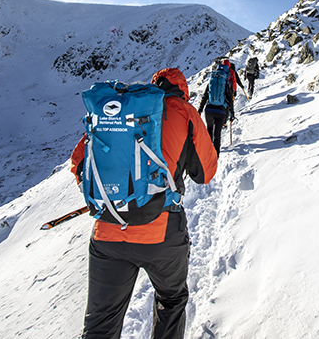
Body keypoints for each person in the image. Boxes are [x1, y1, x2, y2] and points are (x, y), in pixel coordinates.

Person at [70, 67, 218, 339]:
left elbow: (79, 161)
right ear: (182, 90)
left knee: (100, 323)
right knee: (171, 301)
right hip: (161, 231)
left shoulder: (117, 114)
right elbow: (205, 173)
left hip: (107, 230)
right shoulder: (184, 111)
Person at [198, 63, 235, 156]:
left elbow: (204, 97)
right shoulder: (226, 85)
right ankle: (215, 156)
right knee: (217, 135)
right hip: (221, 111)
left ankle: (208, 154)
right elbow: (230, 101)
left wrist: (200, 110)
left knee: (209, 130)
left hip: (209, 110)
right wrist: (232, 115)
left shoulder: (211, 82)